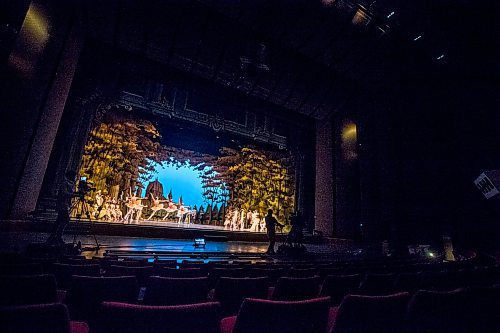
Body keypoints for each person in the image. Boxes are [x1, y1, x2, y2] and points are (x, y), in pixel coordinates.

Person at [46, 170, 77, 245]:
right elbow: (64, 193)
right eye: (74, 176)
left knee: (60, 220)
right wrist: (73, 195)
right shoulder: (65, 183)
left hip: (65, 204)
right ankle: (57, 236)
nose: (75, 178)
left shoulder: (70, 184)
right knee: (64, 220)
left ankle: (55, 236)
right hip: (62, 204)